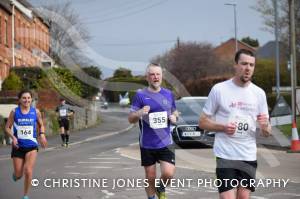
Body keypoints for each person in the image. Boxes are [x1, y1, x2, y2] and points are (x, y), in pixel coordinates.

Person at [199, 49, 272, 199]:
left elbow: (266, 131)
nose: (247, 68)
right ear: (235, 65)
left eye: (251, 65)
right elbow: (202, 122)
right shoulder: (219, 90)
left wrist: (265, 128)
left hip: (248, 155)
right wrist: (223, 127)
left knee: (243, 197)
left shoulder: (259, 93)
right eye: (244, 64)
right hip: (225, 155)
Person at [128, 63, 178, 199]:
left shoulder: (168, 94)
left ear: (162, 76)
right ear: (147, 77)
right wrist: (139, 112)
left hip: (166, 141)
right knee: (150, 176)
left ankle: (160, 187)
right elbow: (130, 119)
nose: (155, 77)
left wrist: (174, 116)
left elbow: (175, 111)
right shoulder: (140, 95)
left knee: (168, 173)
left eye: (158, 74)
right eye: (152, 74)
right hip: (147, 143)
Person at [5, 89, 47, 199]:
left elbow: (41, 125)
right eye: (24, 98)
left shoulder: (35, 112)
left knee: (28, 171)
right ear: (19, 100)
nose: (26, 100)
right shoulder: (14, 112)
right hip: (18, 147)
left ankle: (25, 195)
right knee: (19, 175)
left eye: (28, 98)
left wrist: (42, 134)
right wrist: (13, 137)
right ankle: (17, 175)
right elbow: (7, 127)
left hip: (32, 146)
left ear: (31, 99)